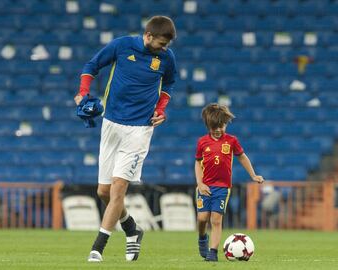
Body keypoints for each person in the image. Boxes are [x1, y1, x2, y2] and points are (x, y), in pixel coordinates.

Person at [74, 16, 177, 262]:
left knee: (118, 189)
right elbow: (91, 66)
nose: (164, 48)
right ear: (149, 35)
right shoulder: (122, 46)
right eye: (161, 43)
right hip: (111, 124)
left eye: (167, 44)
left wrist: (161, 109)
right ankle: (132, 229)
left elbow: (169, 86)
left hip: (139, 131)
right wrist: (82, 93)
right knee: (104, 192)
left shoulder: (166, 58)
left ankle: (97, 248)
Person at [195, 104, 264, 262]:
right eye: (214, 127)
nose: (218, 130)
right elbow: (198, 163)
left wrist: (253, 175)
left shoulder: (232, 140)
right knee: (202, 219)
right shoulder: (202, 142)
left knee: (216, 220)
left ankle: (213, 252)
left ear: (225, 123)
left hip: (222, 188)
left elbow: (242, 157)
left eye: (221, 126)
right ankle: (202, 238)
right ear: (208, 125)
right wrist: (200, 183)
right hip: (204, 186)